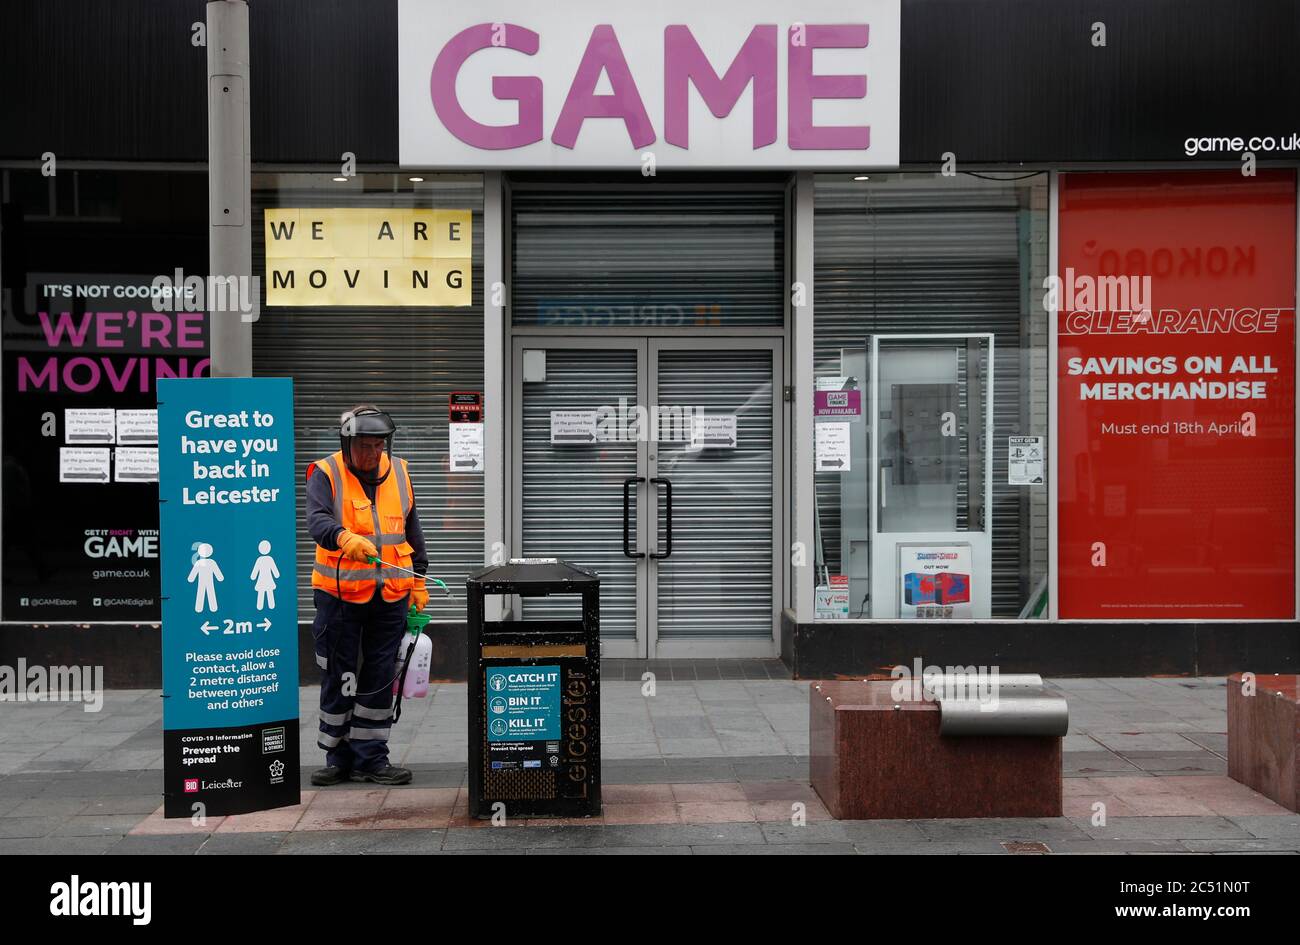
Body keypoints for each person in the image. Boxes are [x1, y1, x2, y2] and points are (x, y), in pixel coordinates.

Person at [305, 404, 429, 786]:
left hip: (391, 593)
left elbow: (411, 528)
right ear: (346, 444)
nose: (372, 454)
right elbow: (317, 520)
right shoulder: (326, 472)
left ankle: (371, 759)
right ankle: (337, 755)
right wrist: (343, 537)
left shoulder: (401, 471)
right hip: (340, 594)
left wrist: (419, 578)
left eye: (378, 446)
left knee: (379, 674)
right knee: (340, 674)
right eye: (364, 447)